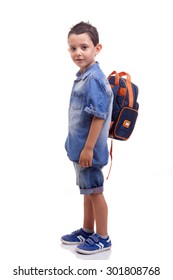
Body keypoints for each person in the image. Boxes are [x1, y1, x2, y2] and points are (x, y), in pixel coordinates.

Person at [61, 21, 113, 255]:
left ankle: (103, 237)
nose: (78, 53)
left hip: (88, 151)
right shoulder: (84, 75)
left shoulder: (93, 79)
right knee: (87, 192)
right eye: (73, 48)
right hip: (80, 148)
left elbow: (99, 117)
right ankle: (87, 230)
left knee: (95, 192)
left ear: (97, 48)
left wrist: (88, 148)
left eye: (84, 47)